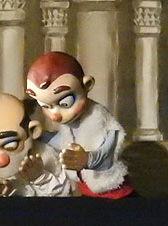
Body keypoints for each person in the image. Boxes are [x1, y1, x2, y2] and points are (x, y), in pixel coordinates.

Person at [25, 52, 133, 198]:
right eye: (46, 106)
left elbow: (107, 154)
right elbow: (63, 142)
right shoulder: (70, 122)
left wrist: (88, 159)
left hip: (115, 193)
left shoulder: (100, 118)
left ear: (86, 85)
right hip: (86, 191)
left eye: (65, 103)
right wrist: (42, 135)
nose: (55, 115)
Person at [0, 93, 70, 197]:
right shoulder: (6, 169)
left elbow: (65, 193)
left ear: (33, 131)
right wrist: (7, 192)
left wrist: (40, 178)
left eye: (10, 146)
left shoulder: (48, 156)